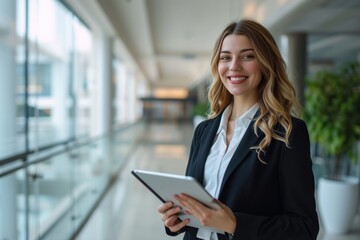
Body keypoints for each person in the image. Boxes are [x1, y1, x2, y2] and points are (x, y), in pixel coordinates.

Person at [158, 19, 319, 240]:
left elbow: (304, 228)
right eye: (226, 57)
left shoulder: (287, 132)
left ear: (265, 62)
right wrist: (177, 219)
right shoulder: (204, 131)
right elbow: (194, 204)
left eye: (247, 56)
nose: (234, 66)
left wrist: (235, 224)